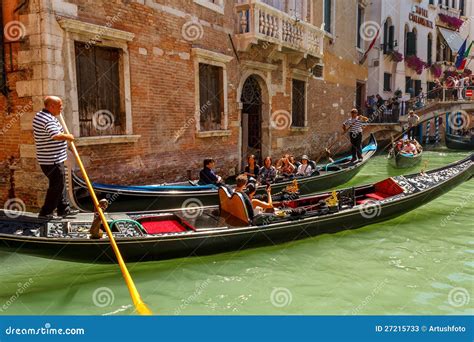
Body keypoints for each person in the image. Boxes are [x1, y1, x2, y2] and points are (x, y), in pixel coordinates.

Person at [33, 96, 78, 219]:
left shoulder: (40, 115)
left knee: (60, 184)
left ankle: (63, 209)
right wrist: (68, 137)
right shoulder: (47, 119)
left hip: (51, 158)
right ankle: (46, 212)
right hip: (51, 160)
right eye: (59, 106)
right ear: (51, 106)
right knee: (57, 186)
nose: (61, 108)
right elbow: (55, 135)